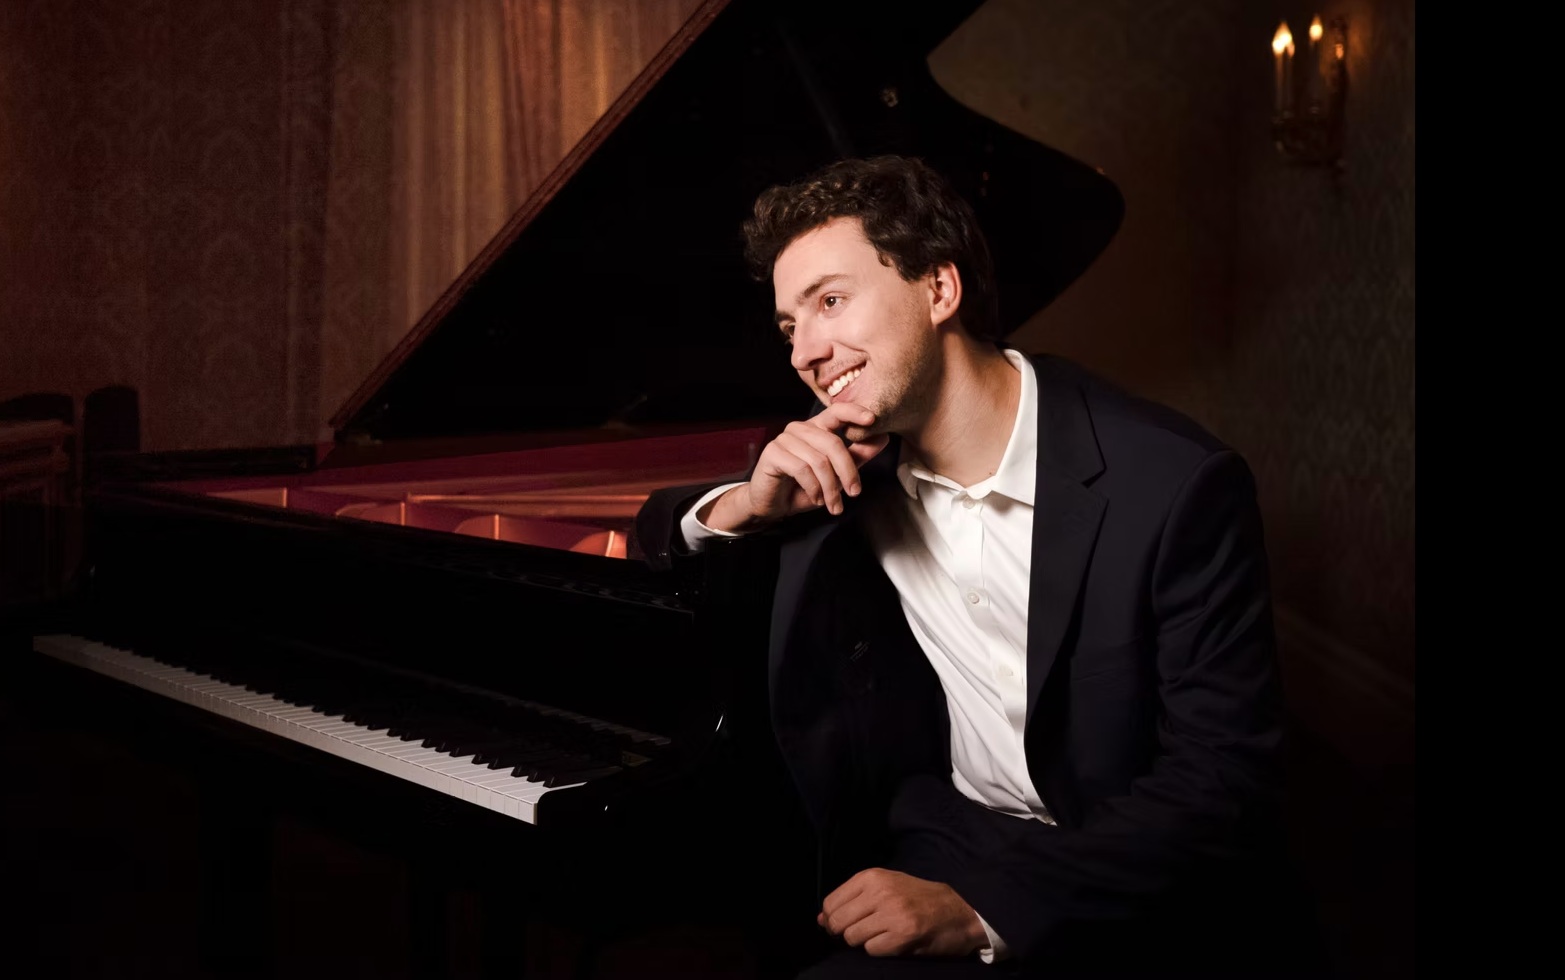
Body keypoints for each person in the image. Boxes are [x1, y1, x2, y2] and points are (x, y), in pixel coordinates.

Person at [635, 156, 1312, 977]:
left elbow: (1222, 783)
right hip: (943, 838)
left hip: (1142, 877)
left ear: (939, 290)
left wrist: (984, 909)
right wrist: (746, 505)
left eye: (830, 301)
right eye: (788, 327)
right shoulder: (844, 474)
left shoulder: (1171, 485)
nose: (805, 353)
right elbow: (658, 532)